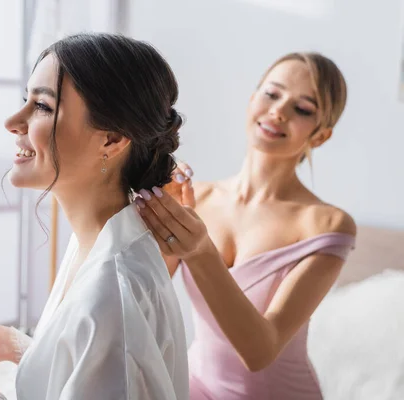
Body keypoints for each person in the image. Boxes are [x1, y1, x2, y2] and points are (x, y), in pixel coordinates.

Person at [0, 33, 189, 400]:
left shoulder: (114, 290)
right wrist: (11, 344)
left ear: (112, 140)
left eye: (41, 106)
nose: (13, 121)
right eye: (27, 100)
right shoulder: (100, 241)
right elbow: (86, 368)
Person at [136, 52, 356, 399]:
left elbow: (260, 352)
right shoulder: (198, 199)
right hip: (194, 387)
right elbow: (145, 297)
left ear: (320, 136)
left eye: (303, 109)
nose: (279, 111)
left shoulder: (326, 224)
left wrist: (198, 247)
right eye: (272, 94)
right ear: (253, 99)